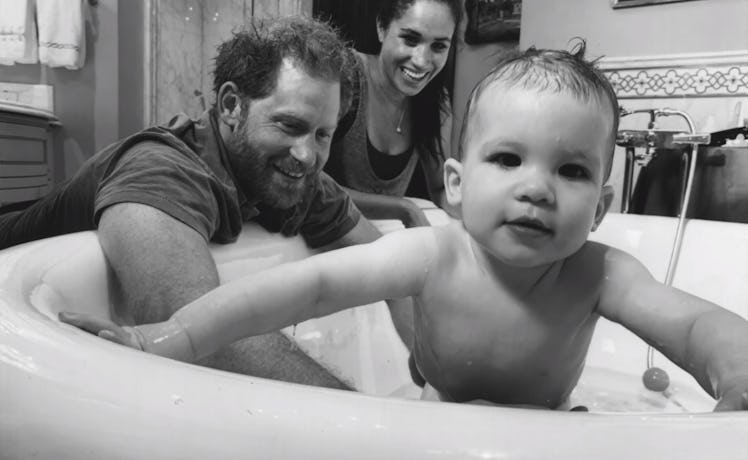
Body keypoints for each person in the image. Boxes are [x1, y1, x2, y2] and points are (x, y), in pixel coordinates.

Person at [61, 45, 748, 411]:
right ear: (455, 185)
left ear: (599, 208)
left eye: (570, 172)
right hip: (434, 421)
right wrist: (172, 336)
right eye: (508, 159)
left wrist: (736, 369)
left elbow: (692, 325)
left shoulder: (601, 273)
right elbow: (310, 286)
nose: (536, 186)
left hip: (549, 433)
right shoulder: (433, 253)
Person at [4, 16, 394, 390]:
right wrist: (362, 419)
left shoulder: (297, 178)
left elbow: (389, 262)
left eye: (323, 134)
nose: (308, 155)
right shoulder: (161, 169)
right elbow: (200, 338)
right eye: (289, 125)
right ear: (230, 106)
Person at [323, 0, 462, 227]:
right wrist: (403, 209)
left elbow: (439, 188)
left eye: (438, 47)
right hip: (313, 238)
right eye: (410, 39)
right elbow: (310, 181)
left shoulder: (437, 101)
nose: (421, 61)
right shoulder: (343, 75)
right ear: (381, 27)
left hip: (378, 241)